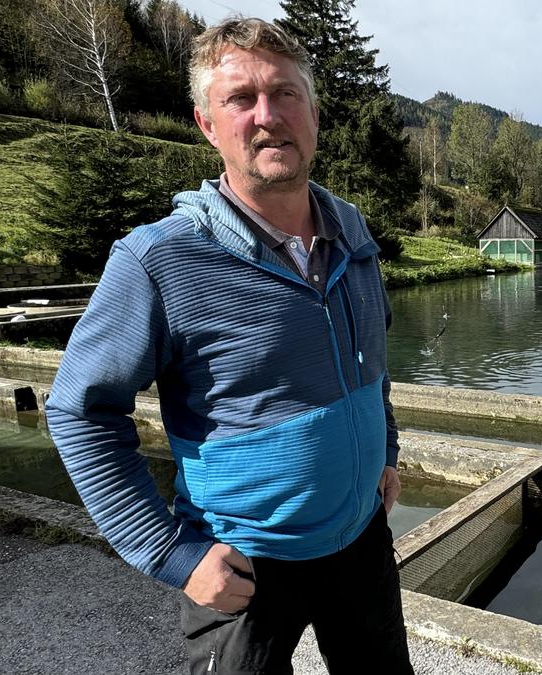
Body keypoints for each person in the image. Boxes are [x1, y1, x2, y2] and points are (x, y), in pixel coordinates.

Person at [45, 17, 412, 674]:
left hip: (360, 541)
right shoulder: (158, 260)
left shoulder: (352, 232)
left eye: (285, 93)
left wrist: (384, 447)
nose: (268, 115)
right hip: (240, 562)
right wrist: (172, 552)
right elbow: (79, 411)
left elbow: (371, 360)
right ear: (208, 124)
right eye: (241, 99)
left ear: (315, 114)